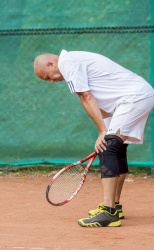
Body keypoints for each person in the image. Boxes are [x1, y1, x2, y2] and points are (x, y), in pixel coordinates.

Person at [34, 50, 154, 227]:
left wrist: (102, 131)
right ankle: (114, 207)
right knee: (116, 147)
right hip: (137, 96)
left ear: (51, 64)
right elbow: (99, 100)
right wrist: (106, 130)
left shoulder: (68, 63)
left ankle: (108, 212)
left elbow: (86, 97)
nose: (51, 81)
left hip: (134, 97)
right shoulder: (74, 62)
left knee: (107, 148)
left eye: (47, 77)